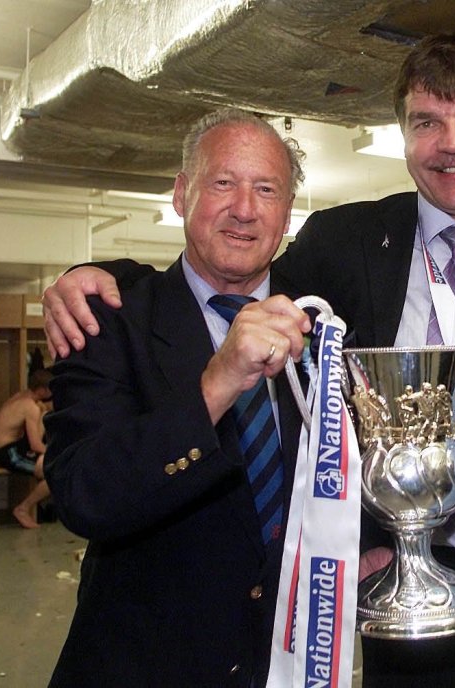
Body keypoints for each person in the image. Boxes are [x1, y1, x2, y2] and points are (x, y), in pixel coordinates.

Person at [43, 34, 455, 688]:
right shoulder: (344, 245)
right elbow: (231, 272)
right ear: (403, 137)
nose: (451, 142)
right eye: (427, 122)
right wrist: (92, 274)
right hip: (389, 611)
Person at [41, 108, 315, 687]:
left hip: (286, 664)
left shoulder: (322, 324)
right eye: (223, 183)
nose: (244, 208)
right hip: (144, 665)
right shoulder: (108, 319)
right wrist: (216, 384)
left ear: (287, 214)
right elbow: (83, 493)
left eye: (266, 189)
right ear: (181, 195)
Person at [0, 367, 53, 529]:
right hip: (9, 453)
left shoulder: (23, 396)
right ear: (41, 390)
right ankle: (23, 508)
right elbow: (35, 444)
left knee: (51, 464)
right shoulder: (30, 407)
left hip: (11, 448)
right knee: (53, 473)